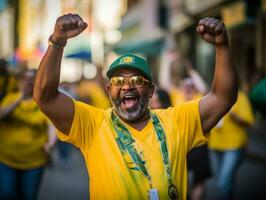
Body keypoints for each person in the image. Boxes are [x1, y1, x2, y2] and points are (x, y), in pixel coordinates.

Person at [33, 14, 238, 200]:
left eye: (137, 80)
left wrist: (222, 46)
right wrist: (57, 42)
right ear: (108, 90)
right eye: (118, 81)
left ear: (150, 91)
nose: (127, 85)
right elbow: (46, 98)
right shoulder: (93, 124)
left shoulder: (177, 120)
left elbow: (223, 97)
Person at [0, 69, 57, 200]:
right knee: (6, 194)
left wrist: (50, 143)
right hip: (6, 160)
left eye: (33, 79)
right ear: (21, 81)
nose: (29, 82)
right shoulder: (10, 98)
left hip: (34, 162)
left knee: (28, 196)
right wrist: (21, 97)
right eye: (26, 79)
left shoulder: (43, 104)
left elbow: (51, 126)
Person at [208, 90, 254, 200]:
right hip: (214, 145)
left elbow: (249, 121)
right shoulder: (213, 97)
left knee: (224, 182)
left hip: (234, 146)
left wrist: (235, 117)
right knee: (222, 180)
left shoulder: (241, 97)